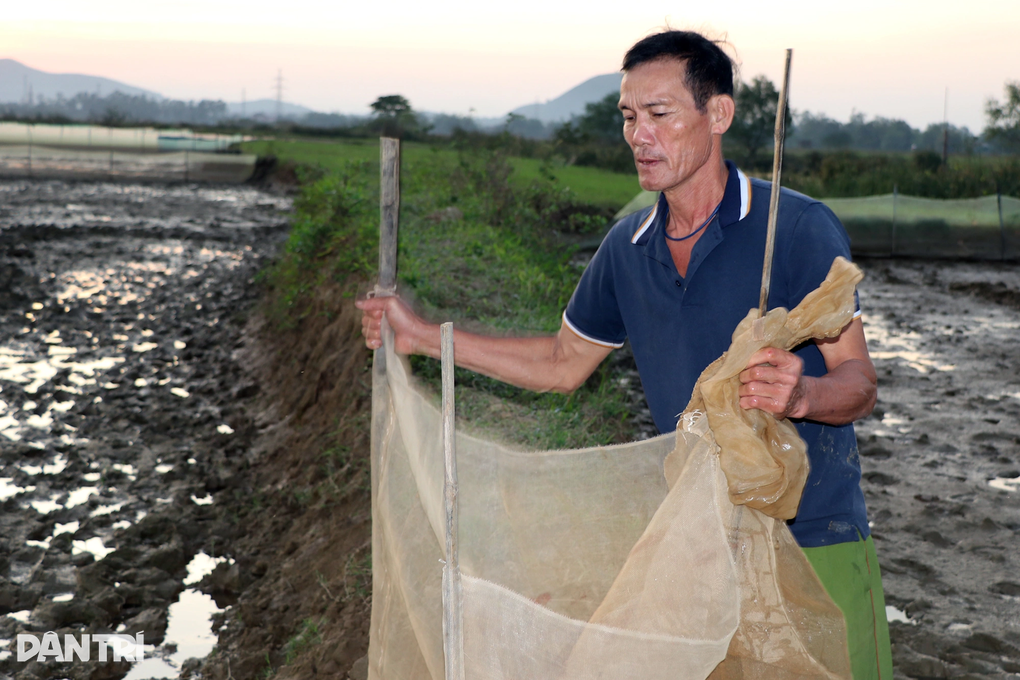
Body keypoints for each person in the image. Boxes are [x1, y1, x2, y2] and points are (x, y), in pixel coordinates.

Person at [357, 30, 893, 679]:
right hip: (699, 554)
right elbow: (562, 363)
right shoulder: (626, 247)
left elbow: (859, 381)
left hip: (814, 538)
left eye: (660, 115)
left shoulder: (797, 228)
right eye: (629, 118)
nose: (640, 135)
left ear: (717, 114)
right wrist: (420, 336)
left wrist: (802, 395)